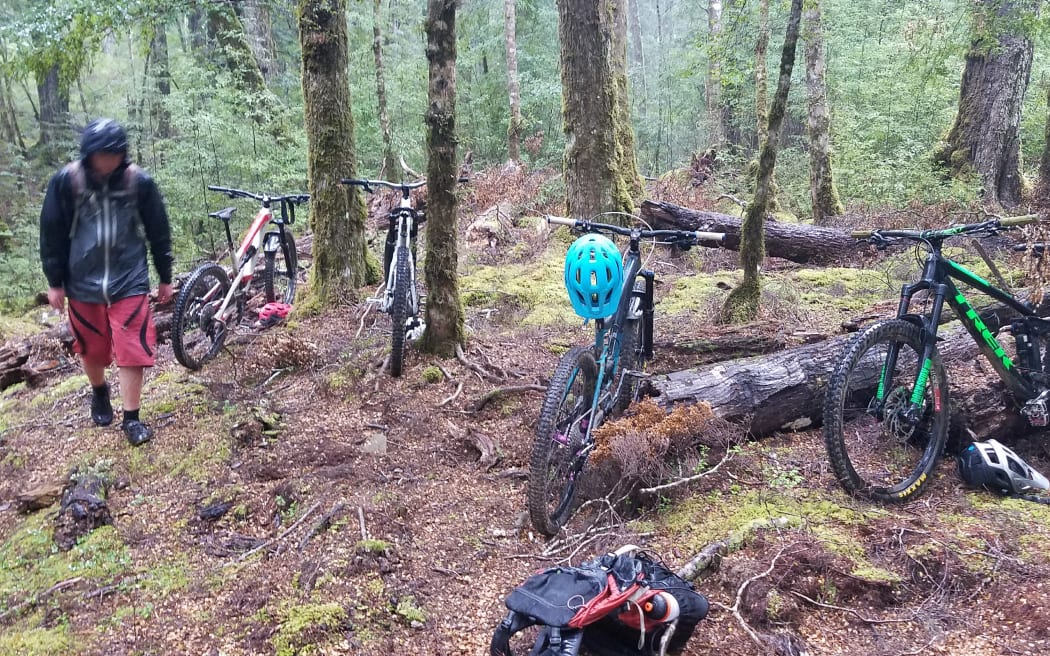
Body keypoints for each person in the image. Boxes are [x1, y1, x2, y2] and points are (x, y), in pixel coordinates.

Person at [39, 118, 174, 446]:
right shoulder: (66, 182)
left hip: (130, 278)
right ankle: (99, 390)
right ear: (88, 154)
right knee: (93, 348)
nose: (107, 161)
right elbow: (52, 231)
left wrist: (165, 277)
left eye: (113, 154)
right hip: (81, 279)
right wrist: (54, 281)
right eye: (101, 154)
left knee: (132, 346)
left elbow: (158, 230)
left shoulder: (138, 182)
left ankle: (132, 417)